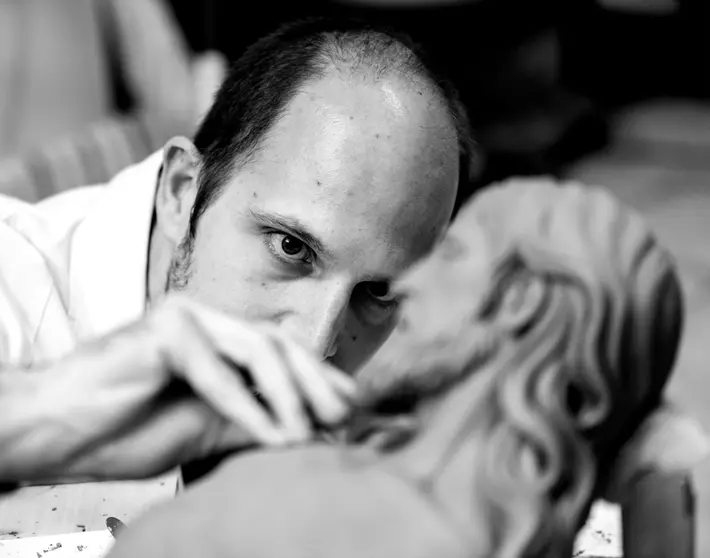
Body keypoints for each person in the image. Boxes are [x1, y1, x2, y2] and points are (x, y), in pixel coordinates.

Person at [0, 17, 471, 529]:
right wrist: (2, 429)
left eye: (377, 293)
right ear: (183, 190)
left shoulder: (422, 363)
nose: (316, 344)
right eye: (291, 247)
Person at [107, 178, 708, 558]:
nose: (413, 286)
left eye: (451, 256)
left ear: (519, 302)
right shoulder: (532, 528)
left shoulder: (265, 512)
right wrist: (656, 464)